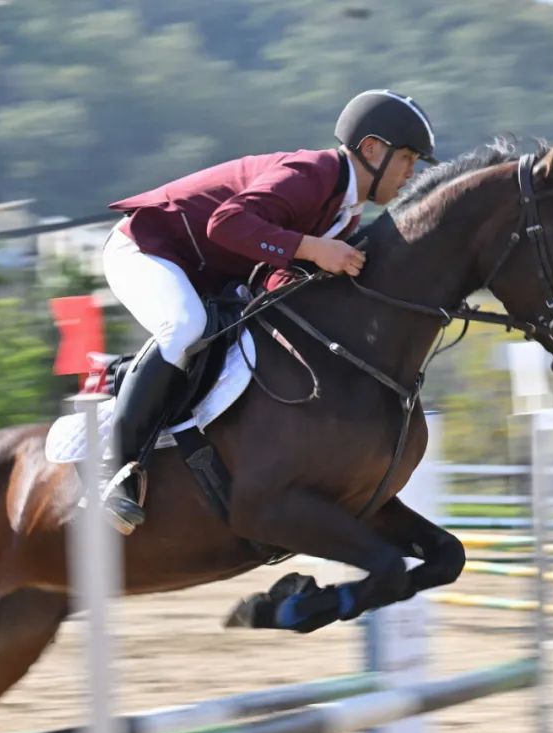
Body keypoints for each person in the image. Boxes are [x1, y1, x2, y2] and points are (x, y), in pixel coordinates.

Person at [99, 89, 438, 532]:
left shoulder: (345, 215)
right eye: (408, 158)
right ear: (372, 149)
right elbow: (225, 223)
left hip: (205, 274)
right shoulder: (313, 173)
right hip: (147, 248)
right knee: (184, 325)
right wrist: (313, 248)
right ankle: (116, 470)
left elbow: (274, 278)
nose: (411, 173)